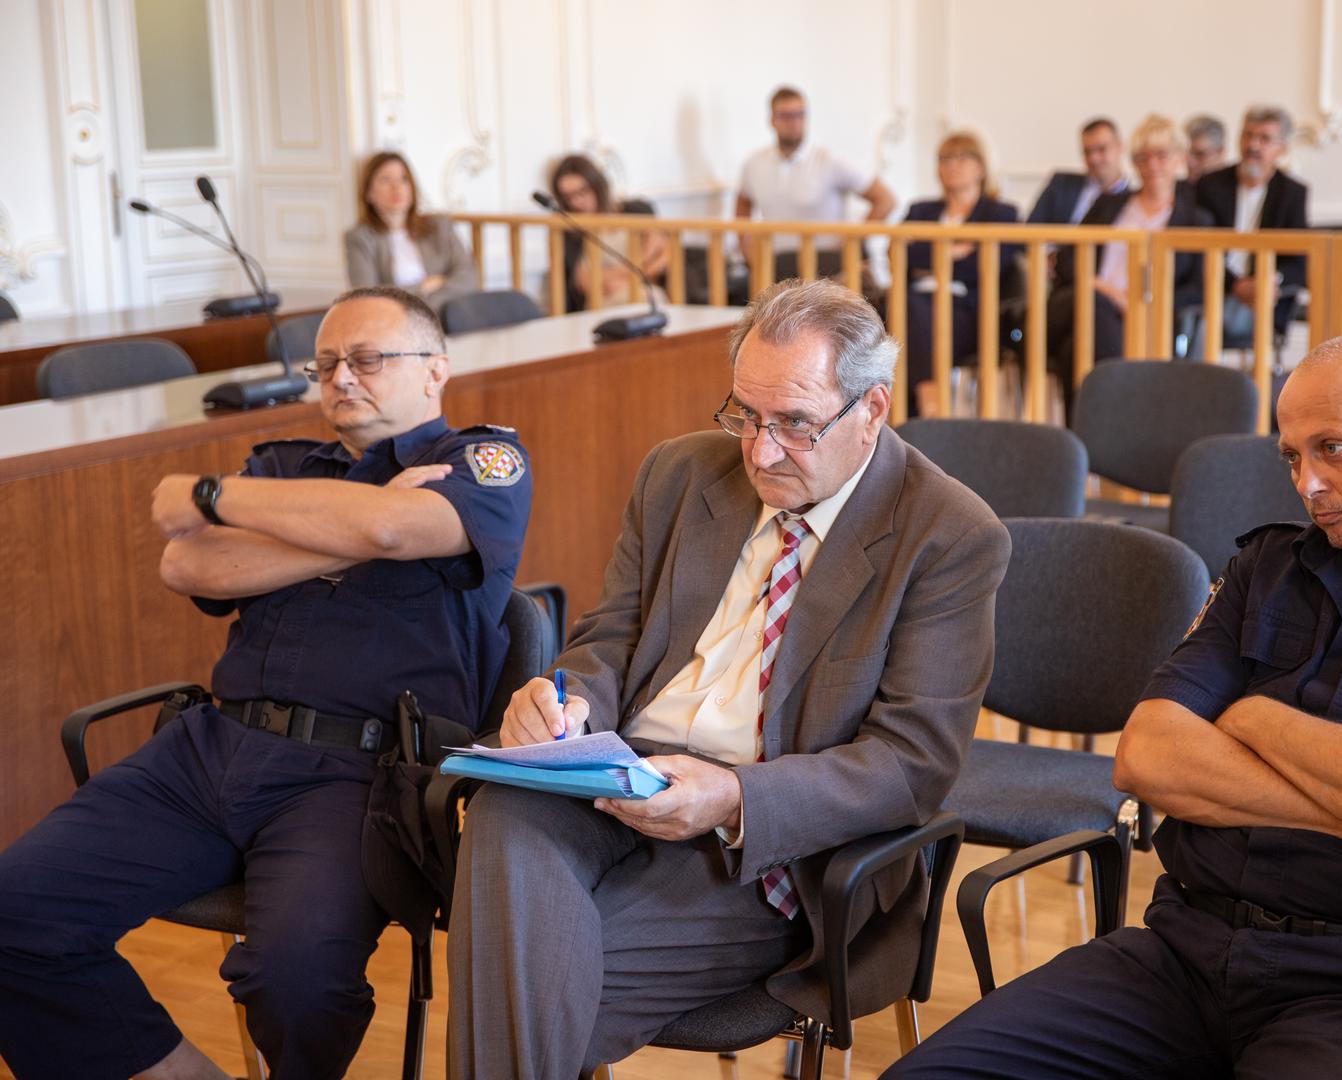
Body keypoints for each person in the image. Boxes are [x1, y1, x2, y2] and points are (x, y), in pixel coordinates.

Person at [883, 332, 1342, 1079]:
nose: (1309, 484)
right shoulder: (1269, 568)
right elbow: (1148, 755)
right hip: (1179, 951)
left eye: (1334, 449)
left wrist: (1251, 718)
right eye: (1293, 457)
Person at [447, 277, 1011, 1079]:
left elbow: (911, 764)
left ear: (873, 409)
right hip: (617, 780)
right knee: (507, 805)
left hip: (761, 849)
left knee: (520, 981)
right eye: (745, 415)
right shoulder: (678, 475)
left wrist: (734, 799)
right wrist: (565, 701)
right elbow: (610, 638)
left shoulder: (947, 534)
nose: (760, 450)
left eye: (793, 424)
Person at [0, 286, 532, 1080]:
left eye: (368, 359)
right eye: (326, 364)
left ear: (436, 370)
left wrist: (209, 493)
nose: (342, 377)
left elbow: (400, 527)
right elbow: (189, 562)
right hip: (209, 749)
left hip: (355, 774)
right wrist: (352, 531)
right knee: (16, 914)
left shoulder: (482, 462)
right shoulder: (282, 465)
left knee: (298, 981)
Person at [1048, 114, 1214, 374]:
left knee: (1074, 350)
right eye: (1143, 157)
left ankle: (1095, 412)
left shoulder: (1196, 219)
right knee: (1096, 309)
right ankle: (1120, 405)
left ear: (1179, 158)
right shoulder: (1109, 204)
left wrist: (1143, 303)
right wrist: (1106, 290)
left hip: (1149, 318)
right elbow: (1068, 258)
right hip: (1087, 300)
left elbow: (1198, 288)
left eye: (1161, 155)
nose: (1152, 165)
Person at [899, 130, 1019, 415]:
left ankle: (927, 403)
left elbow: (984, 268)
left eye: (961, 157)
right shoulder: (920, 210)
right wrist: (956, 250)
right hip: (914, 302)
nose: (952, 165)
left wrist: (930, 251)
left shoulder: (1002, 214)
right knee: (902, 309)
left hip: (967, 309)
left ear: (980, 166)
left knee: (911, 314)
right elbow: (902, 258)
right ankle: (925, 403)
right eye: (945, 159)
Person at [734, 86, 897, 284]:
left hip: (827, 266)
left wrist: (853, 241)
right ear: (772, 120)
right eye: (786, 116)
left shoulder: (829, 160)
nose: (794, 122)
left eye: (799, 115)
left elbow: (885, 199)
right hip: (775, 266)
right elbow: (743, 201)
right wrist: (745, 245)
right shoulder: (754, 163)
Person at [1194, 105, 1310, 347]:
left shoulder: (1292, 193)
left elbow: (1299, 262)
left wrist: (1269, 282)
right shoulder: (1209, 186)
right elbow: (1199, 249)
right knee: (1199, 319)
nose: (1253, 146)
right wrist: (1235, 285)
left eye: (1264, 139)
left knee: (1208, 324)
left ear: (1282, 148)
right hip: (1214, 289)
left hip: (1263, 298)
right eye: (1248, 135)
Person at [344, 151, 479, 312]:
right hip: (396, 327)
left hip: (449, 318)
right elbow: (367, 298)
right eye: (385, 180)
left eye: (404, 179)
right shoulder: (359, 238)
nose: (397, 188)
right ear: (369, 193)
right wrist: (423, 286)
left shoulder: (439, 226)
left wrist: (422, 302)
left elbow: (469, 279)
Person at [549, 153, 670, 313]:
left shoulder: (637, 210)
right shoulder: (569, 228)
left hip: (643, 289)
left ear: (597, 185)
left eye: (583, 191)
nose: (577, 201)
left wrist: (622, 278)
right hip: (604, 299)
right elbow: (585, 282)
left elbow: (663, 256)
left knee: (651, 298)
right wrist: (637, 270)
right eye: (568, 197)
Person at [1026, 117, 1128, 227]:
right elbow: (1030, 230)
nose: (1093, 158)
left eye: (1101, 149)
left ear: (1120, 146)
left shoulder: (1134, 200)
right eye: (1087, 152)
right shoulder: (1061, 185)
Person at [1183, 113, 1228, 184]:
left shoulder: (1241, 190)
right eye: (1187, 155)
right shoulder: (1175, 191)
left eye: (1200, 154)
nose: (1190, 163)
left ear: (1221, 152)